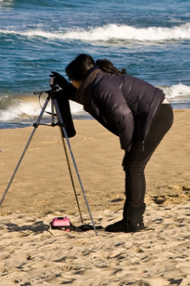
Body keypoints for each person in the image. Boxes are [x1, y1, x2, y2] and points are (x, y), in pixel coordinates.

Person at [51, 54, 173, 233]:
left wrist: (128, 144)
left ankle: (132, 222)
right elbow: (88, 97)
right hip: (154, 113)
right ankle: (133, 220)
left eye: (71, 80)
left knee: (133, 166)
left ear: (78, 78)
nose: (71, 82)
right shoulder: (98, 81)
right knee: (133, 166)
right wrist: (65, 87)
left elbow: (123, 115)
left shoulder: (102, 85)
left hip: (156, 116)